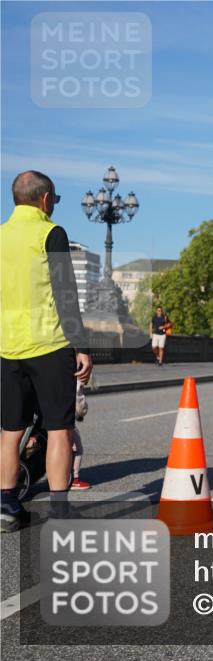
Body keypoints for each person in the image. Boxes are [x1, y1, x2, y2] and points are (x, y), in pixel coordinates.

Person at [2, 171, 93, 532]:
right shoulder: (50, 232)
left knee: (9, 431)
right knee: (59, 428)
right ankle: (59, 510)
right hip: (49, 344)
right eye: (54, 199)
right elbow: (64, 291)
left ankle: (6, 505)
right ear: (44, 199)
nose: (53, 206)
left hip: (7, 346)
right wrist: (82, 347)